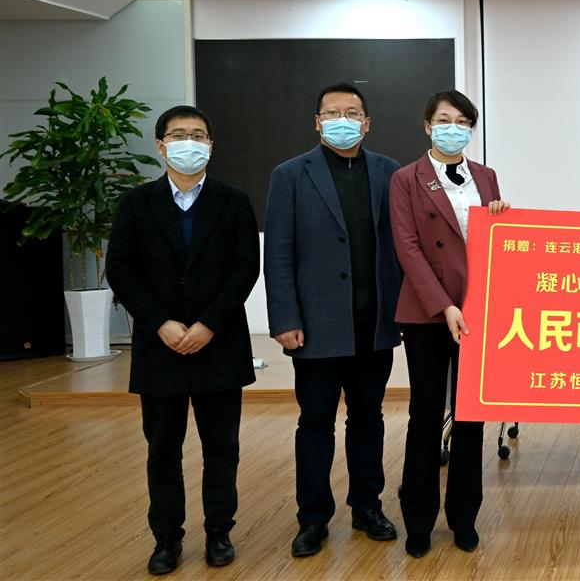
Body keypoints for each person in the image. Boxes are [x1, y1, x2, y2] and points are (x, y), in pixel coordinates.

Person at [106, 105, 259, 575]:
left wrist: (209, 323)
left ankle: (219, 532)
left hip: (219, 343)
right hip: (160, 347)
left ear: (210, 145)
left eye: (198, 135)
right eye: (178, 135)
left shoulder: (234, 202)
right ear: (161, 145)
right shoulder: (136, 203)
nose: (188, 143)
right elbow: (121, 270)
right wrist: (160, 322)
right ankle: (167, 539)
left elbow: (245, 269)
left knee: (222, 448)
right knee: (162, 451)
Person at [264, 83, 403, 557]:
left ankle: (367, 506)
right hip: (315, 326)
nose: (342, 120)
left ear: (367, 122)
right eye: (332, 113)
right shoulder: (290, 175)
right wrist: (284, 317)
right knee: (315, 423)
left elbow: (405, 245)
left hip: (374, 324)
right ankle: (313, 518)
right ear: (317, 122)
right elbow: (278, 252)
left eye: (352, 112)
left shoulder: (390, 172)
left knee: (368, 419)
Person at [390, 90, 509, 558]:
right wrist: (444, 306)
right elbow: (407, 247)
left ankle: (464, 516)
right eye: (444, 120)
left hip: (478, 309)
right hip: (426, 311)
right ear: (427, 126)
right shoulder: (406, 178)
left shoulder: (486, 175)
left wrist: (503, 216)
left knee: (471, 415)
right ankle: (418, 519)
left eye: (462, 121)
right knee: (424, 416)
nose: (453, 128)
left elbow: (496, 242)